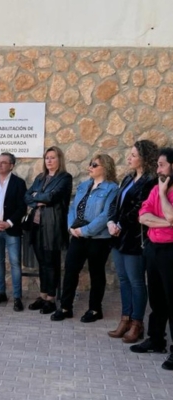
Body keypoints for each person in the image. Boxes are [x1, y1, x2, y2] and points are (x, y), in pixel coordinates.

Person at [51, 154, 119, 322]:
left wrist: (85, 230)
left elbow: (106, 215)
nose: (90, 167)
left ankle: (95, 309)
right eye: (90, 164)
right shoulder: (83, 185)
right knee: (70, 270)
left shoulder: (112, 189)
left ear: (105, 168)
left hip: (98, 238)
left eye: (94, 165)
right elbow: (72, 207)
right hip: (77, 235)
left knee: (96, 273)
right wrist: (71, 227)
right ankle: (66, 307)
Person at [107, 140, 158, 343]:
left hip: (135, 238)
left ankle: (137, 323)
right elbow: (115, 203)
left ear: (145, 158)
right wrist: (111, 221)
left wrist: (119, 223)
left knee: (136, 282)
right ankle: (125, 319)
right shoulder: (127, 179)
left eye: (134, 155)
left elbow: (139, 208)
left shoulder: (150, 181)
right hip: (118, 237)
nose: (129, 158)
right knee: (123, 279)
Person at [132, 147, 173, 371]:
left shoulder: (164, 189)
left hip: (170, 251)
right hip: (153, 248)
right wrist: (167, 222)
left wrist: (164, 194)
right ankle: (156, 340)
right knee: (156, 300)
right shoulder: (155, 188)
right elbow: (143, 216)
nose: (158, 169)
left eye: (162, 165)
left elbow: (170, 214)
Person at [24, 146, 72, 314]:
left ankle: (51, 299)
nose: (49, 160)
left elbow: (53, 197)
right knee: (42, 263)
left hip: (53, 226)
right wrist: (38, 199)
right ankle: (43, 295)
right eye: (47, 158)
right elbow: (27, 196)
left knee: (51, 263)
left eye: (52, 157)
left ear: (60, 160)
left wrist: (38, 197)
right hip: (36, 226)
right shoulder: (40, 177)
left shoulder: (65, 178)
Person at [0, 152, 27, 311]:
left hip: (11, 229)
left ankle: (17, 297)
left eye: (3, 162)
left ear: (11, 166)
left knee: (15, 263)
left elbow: (22, 207)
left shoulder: (19, 183)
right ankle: (1, 293)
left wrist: (8, 223)